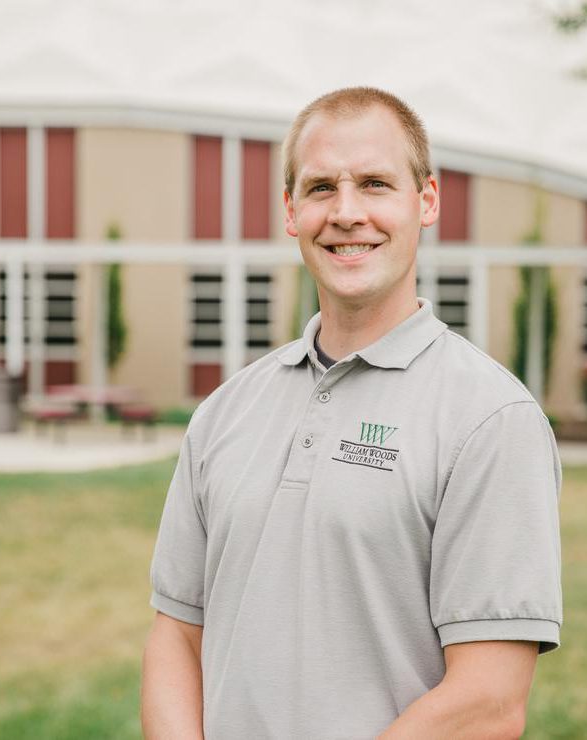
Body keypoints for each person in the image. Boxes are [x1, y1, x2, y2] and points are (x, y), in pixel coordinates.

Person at [142, 87, 562, 739]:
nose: (346, 213)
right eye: (320, 189)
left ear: (425, 201)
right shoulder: (225, 413)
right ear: (290, 210)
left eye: (373, 183)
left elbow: (489, 700)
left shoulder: (491, 418)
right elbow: (176, 634)